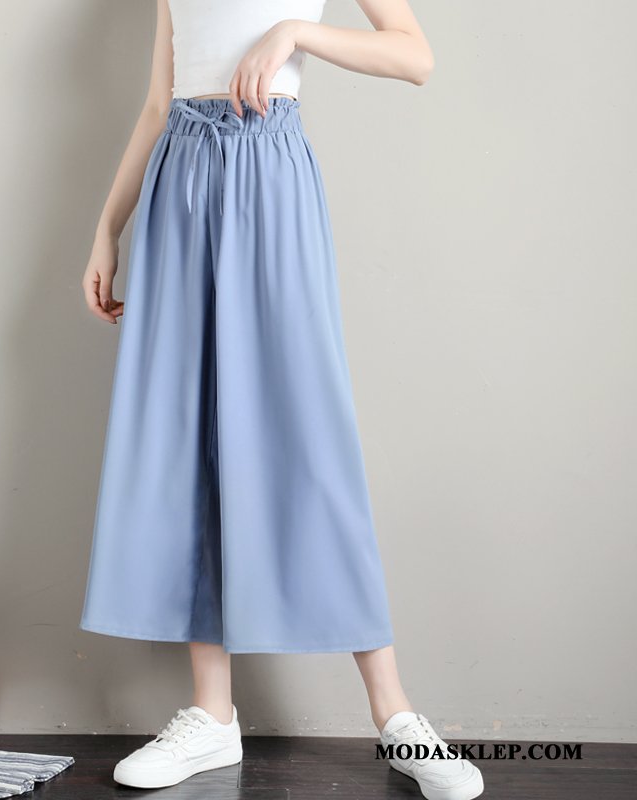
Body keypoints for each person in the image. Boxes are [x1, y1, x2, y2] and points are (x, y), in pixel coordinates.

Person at [79, 2, 484, 799]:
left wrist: (296, 33)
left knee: (309, 437)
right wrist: (107, 229)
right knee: (188, 433)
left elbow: (414, 56)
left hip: (270, 175)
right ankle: (212, 713)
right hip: (177, 184)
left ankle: (395, 714)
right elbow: (159, 105)